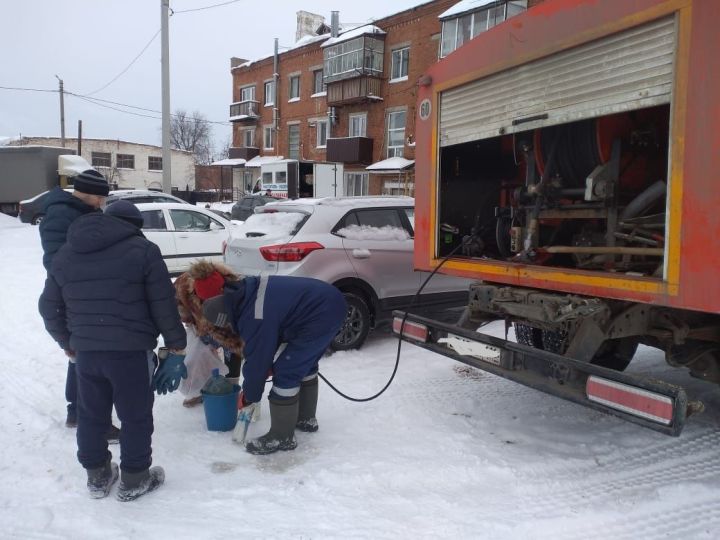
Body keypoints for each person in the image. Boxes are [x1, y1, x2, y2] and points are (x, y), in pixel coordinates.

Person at [38, 200, 187, 501]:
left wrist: (68, 343)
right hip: (131, 352)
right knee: (135, 416)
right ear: (134, 225)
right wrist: (176, 345)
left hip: (87, 354)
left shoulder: (67, 253)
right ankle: (134, 479)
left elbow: (48, 306)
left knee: (91, 415)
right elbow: (163, 304)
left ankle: (97, 476)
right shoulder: (143, 251)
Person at [193, 268, 346, 455]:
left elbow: (257, 360)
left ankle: (282, 437)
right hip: (329, 303)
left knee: (286, 371)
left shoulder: (254, 314)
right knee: (304, 365)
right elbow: (271, 334)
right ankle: (306, 419)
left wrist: (249, 397)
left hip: (321, 312)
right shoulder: (247, 292)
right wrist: (263, 365)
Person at [38, 169, 120, 440]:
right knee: (86, 353)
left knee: (81, 353)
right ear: (90, 195)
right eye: (101, 198)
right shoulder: (63, 214)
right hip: (73, 293)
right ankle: (90, 418)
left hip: (78, 290)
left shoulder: (78, 211)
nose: (102, 204)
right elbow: (57, 260)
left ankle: (77, 411)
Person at [174, 260, 245, 407]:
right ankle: (201, 390)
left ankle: (230, 391)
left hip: (227, 327)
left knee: (232, 353)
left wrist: (229, 340)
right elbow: (178, 307)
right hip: (200, 325)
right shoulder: (183, 285)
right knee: (196, 359)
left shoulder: (234, 285)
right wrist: (192, 323)